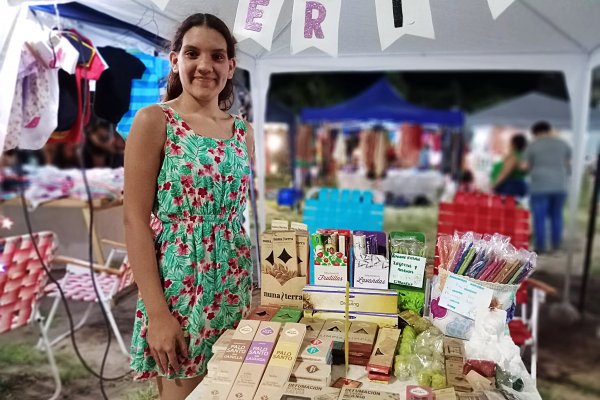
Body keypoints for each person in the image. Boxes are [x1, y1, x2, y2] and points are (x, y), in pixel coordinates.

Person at [124, 13, 254, 400]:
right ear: (175, 60)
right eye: (193, 53)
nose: (204, 66)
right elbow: (134, 219)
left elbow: (237, 215)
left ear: (230, 67)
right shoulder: (155, 121)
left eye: (217, 56)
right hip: (180, 291)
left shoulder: (242, 132)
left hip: (234, 285)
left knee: (234, 390)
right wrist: (158, 314)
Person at [522, 121, 571, 254]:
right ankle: (556, 245)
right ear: (549, 130)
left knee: (540, 217)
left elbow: (525, 166)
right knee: (556, 215)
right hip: (560, 186)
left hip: (540, 186)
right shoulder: (563, 144)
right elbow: (568, 164)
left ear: (535, 133)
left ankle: (541, 247)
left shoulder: (533, 145)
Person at [491, 133, 528, 197]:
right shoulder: (522, 156)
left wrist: (493, 186)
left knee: (507, 205)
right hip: (515, 186)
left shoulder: (514, 156)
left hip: (509, 187)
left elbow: (504, 173)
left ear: (513, 144)